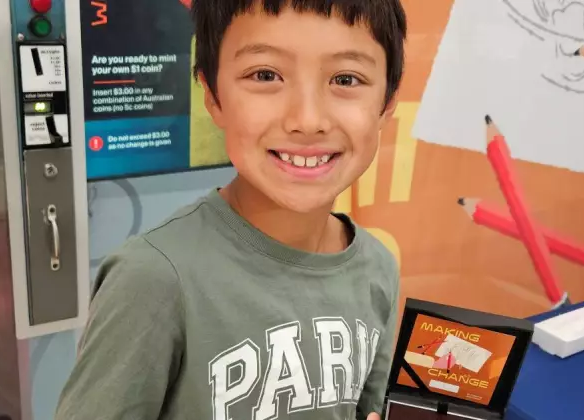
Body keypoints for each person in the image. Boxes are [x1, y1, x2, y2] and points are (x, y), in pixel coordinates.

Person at [54, 0, 407, 418]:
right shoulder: (152, 278)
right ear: (213, 95)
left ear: (387, 104)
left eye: (346, 79)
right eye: (265, 75)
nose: (308, 119)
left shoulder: (378, 269)